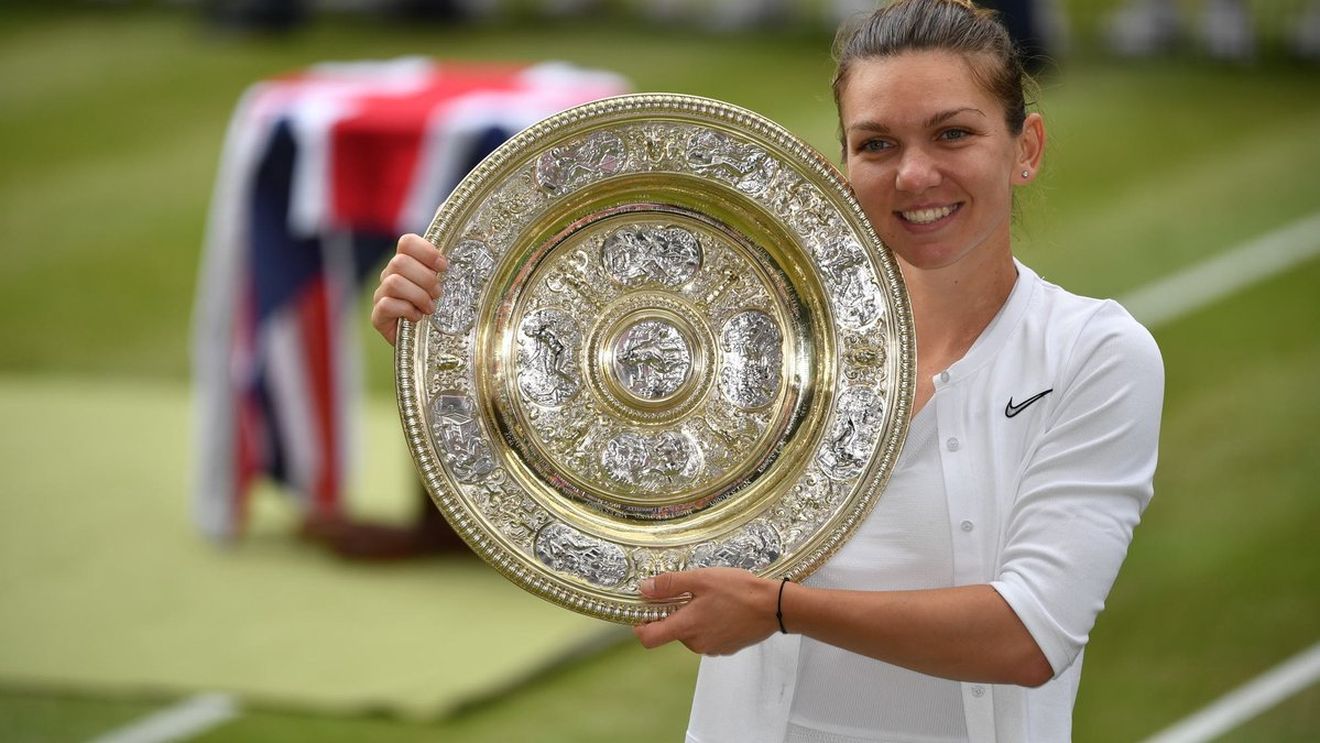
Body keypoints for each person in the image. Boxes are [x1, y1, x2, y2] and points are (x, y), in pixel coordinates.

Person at [371, 0, 1164, 739]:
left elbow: (1026, 635)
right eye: (877, 144)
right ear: (841, 165)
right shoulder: (757, 336)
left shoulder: (1094, 355)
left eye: (953, 134)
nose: (914, 175)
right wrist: (449, 346)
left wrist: (782, 609)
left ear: (1025, 148)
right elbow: (602, 459)